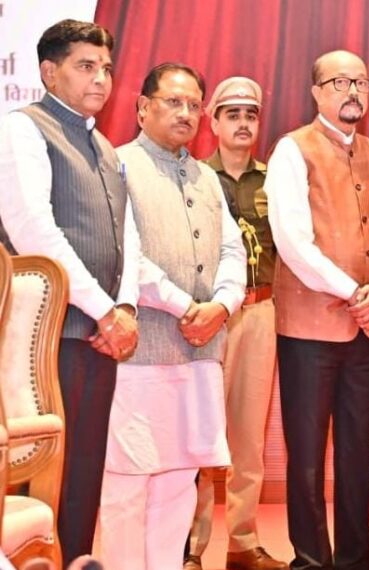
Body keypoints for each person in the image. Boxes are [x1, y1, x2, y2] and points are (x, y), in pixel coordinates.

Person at [0, 19, 139, 565]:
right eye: (86, 67)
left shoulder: (102, 144)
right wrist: (106, 311)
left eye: (106, 68)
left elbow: (127, 232)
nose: (101, 79)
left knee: (83, 470)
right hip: (43, 340)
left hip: (100, 336)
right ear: (48, 72)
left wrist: (123, 308)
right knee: (39, 470)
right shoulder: (23, 129)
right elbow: (34, 230)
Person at [265, 49, 369, 570]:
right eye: (340, 82)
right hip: (309, 329)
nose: (353, 92)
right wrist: (358, 293)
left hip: (368, 328)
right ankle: (310, 561)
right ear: (317, 91)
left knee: (357, 456)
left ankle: (355, 561)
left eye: (362, 83)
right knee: (305, 458)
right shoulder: (291, 150)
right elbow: (294, 243)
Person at [98, 62, 246, 570]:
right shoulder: (116, 167)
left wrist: (223, 304)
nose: (185, 113)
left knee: (180, 479)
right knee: (128, 482)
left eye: (193, 105)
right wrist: (188, 308)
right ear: (142, 108)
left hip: (200, 353)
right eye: (172, 102)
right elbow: (126, 256)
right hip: (141, 355)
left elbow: (233, 250)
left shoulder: (205, 175)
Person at [184, 76, 286, 570]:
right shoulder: (194, 178)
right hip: (208, 318)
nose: (243, 123)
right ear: (214, 121)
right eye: (233, 115)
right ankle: (191, 547)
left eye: (251, 115)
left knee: (248, 437)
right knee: (203, 433)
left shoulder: (276, 180)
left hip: (261, 311)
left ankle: (243, 543)